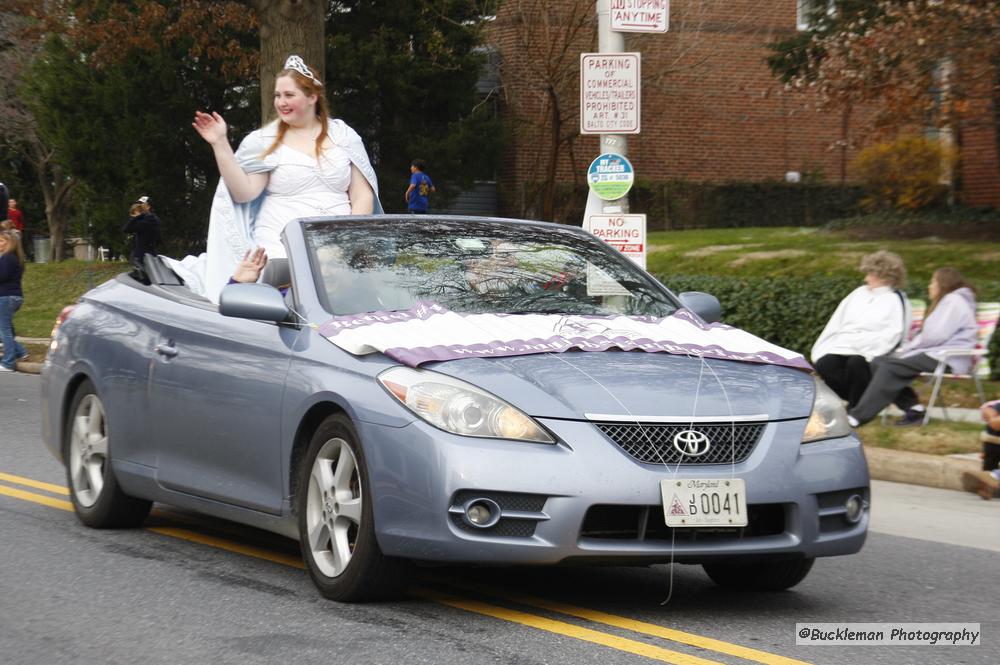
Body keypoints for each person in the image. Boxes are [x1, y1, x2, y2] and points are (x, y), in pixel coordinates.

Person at [165, 54, 382, 301]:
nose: (281, 102)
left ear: (312, 97)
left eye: (289, 95)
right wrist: (220, 143)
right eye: (278, 96)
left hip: (338, 246)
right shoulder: (264, 141)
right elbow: (244, 193)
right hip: (283, 247)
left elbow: (362, 195)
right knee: (292, 295)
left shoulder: (344, 136)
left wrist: (348, 241)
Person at [847, 267, 978, 427]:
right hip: (934, 354)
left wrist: (909, 348)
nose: (929, 286)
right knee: (879, 362)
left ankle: (857, 417)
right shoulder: (954, 300)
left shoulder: (952, 301)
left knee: (889, 367)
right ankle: (914, 409)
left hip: (948, 358)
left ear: (943, 284)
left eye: (932, 282)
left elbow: (935, 335)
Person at [811, 251, 910, 409]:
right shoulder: (858, 293)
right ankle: (855, 399)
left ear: (883, 275)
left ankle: (856, 407)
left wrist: (872, 350)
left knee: (856, 363)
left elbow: (895, 332)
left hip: (872, 348)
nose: (866, 278)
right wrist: (825, 346)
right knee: (825, 364)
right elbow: (837, 322)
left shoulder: (895, 299)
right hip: (843, 345)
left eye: (870, 273)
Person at [0, 229, 29, 372]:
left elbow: (2, 277)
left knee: (3, 330)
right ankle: (21, 351)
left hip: (6, 297)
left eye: (2, 241)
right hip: (15, 296)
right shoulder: (17, 258)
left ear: (9, 243)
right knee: (6, 329)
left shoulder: (7, 258)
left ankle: (8, 362)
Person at [123, 195, 161, 266]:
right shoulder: (145, 218)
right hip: (142, 253)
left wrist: (136, 217)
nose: (138, 206)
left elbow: (127, 229)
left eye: (141, 204)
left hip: (145, 256)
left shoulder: (150, 219)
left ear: (148, 206)